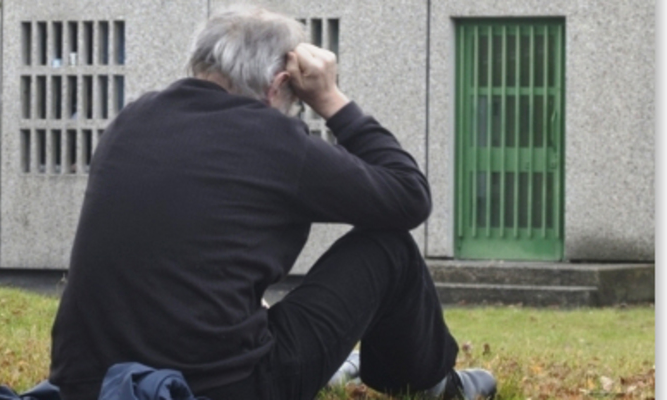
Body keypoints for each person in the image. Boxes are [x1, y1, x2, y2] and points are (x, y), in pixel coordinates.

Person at [48, 6, 496, 400]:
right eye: (294, 101)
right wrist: (331, 99)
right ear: (280, 84)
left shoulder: (132, 120)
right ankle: (432, 383)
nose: (292, 111)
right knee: (389, 249)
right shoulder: (273, 139)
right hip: (226, 387)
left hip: (87, 383)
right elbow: (408, 196)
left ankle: (336, 365)